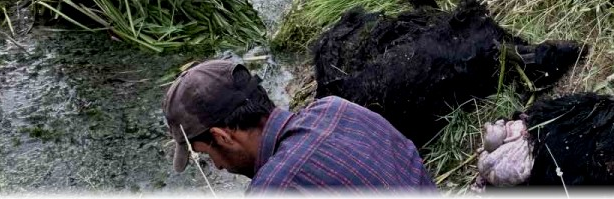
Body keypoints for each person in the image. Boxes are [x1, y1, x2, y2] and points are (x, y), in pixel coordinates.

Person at [162, 59, 435, 191]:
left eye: (208, 157)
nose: (220, 166)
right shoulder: (335, 107)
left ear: (222, 137)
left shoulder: (274, 188)